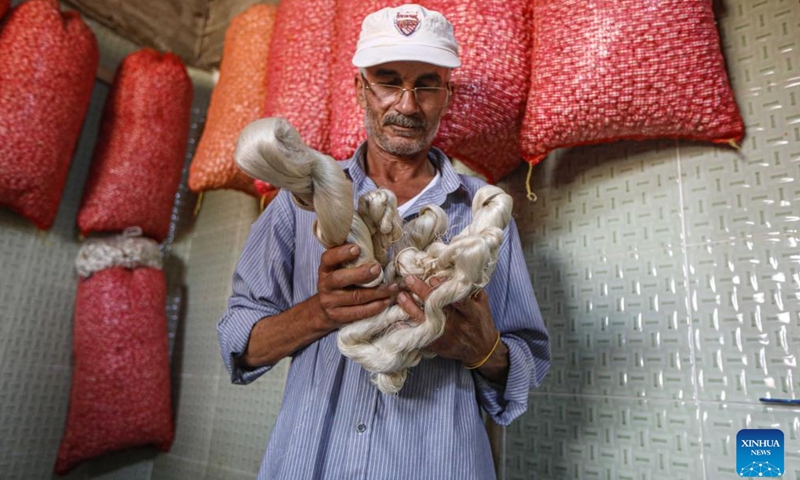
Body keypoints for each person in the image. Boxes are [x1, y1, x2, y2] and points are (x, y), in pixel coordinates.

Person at [217, 4, 550, 479]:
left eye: (426, 84)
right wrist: (321, 312)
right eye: (388, 80)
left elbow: (527, 363)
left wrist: (481, 349)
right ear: (361, 89)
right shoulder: (297, 203)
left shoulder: (485, 214)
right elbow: (239, 344)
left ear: (447, 94)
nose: (408, 105)